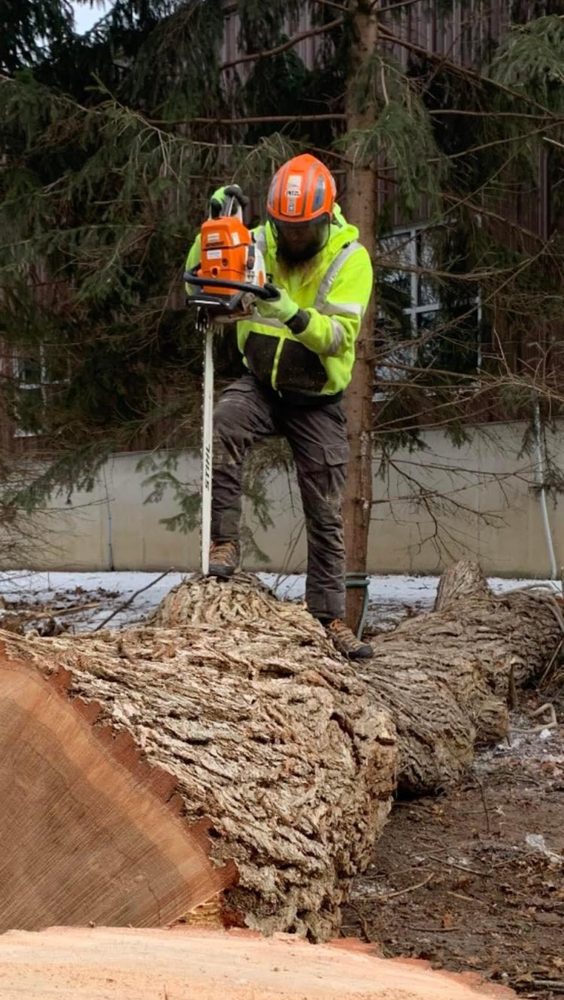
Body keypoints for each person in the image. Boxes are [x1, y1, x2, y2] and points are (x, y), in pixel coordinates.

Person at [186, 153, 374, 660]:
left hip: (317, 398)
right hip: (263, 383)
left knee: (325, 508)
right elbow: (201, 274)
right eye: (286, 228)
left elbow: (338, 338)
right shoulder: (259, 240)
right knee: (225, 421)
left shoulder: (349, 259)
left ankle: (329, 617)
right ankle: (223, 542)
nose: (292, 238)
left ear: (324, 218)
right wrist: (216, 227)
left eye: (303, 230)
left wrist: (289, 312)